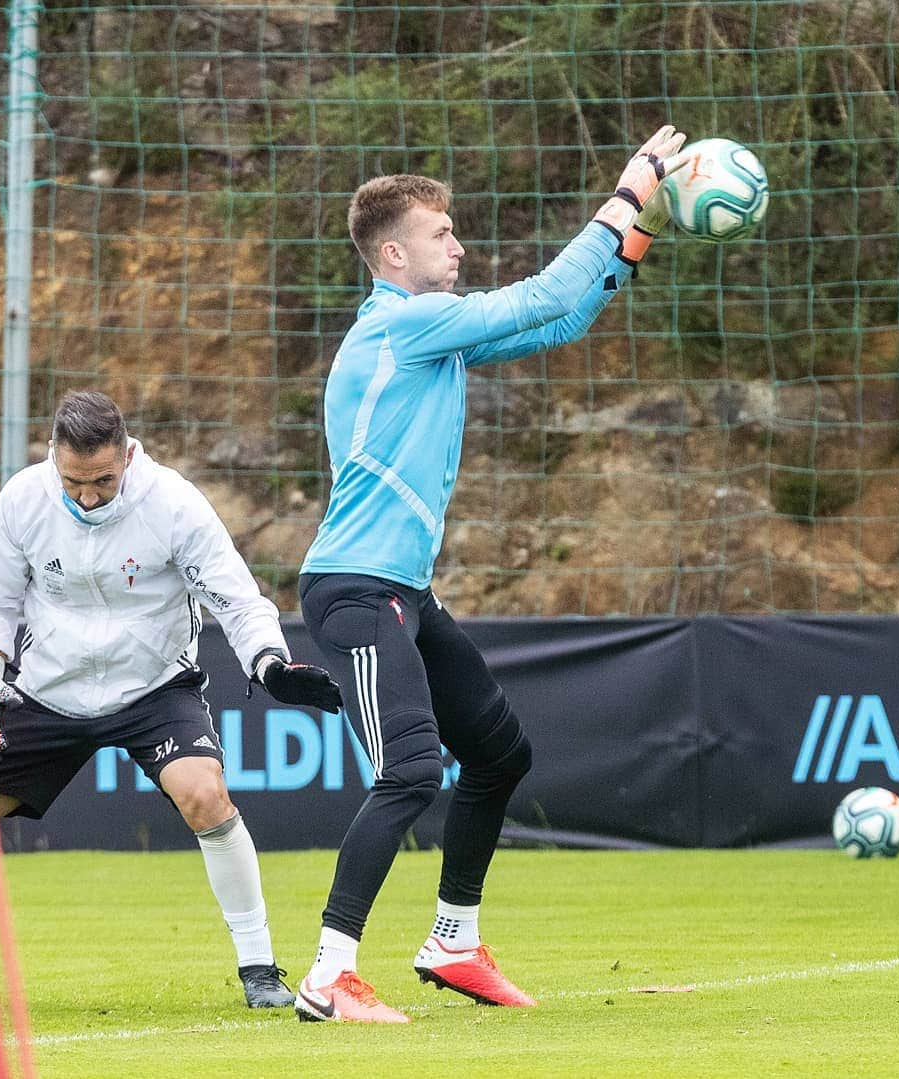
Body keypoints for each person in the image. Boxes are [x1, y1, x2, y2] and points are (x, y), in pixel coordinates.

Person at [292, 126, 689, 1023]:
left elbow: (563, 314)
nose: (459, 245)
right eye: (443, 234)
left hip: (402, 592)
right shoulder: (401, 323)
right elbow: (545, 289)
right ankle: (327, 971)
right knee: (409, 773)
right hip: (355, 588)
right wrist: (625, 194)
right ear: (394, 253)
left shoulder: (432, 337)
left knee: (501, 754)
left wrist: (639, 236)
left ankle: (455, 941)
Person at [0, 389, 342, 1011]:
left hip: (154, 687)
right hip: (44, 690)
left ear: (129, 454)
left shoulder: (174, 504)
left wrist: (269, 663)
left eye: (103, 481)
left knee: (205, 795)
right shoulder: (24, 499)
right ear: (52, 456)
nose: (87, 495)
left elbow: (237, 599)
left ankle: (259, 971)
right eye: (74, 481)